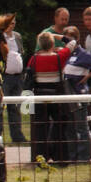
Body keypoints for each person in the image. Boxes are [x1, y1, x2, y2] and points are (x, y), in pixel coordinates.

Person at [26, 31, 71, 164]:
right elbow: (73, 43)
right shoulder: (59, 57)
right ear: (52, 43)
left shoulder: (33, 59)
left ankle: (41, 158)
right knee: (59, 127)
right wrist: (59, 36)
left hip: (39, 96)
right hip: (57, 96)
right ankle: (61, 158)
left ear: (39, 44)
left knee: (40, 129)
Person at [61, 27, 91, 162]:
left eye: (71, 39)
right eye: (66, 39)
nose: (68, 42)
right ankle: (72, 156)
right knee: (70, 128)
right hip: (68, 95)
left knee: (81, 127)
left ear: (77, 39)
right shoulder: (66, 54)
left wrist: (87, 77)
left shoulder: (83, 54)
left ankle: (84, 157)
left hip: (79, 94)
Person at [0, 19, 27, 142]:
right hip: (4, 76)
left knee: (15, 107)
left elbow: (20, 52)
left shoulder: (17, 36)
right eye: (9, 23)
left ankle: (17, 136)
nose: (11, 26)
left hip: (17, 77)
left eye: (13, 24)